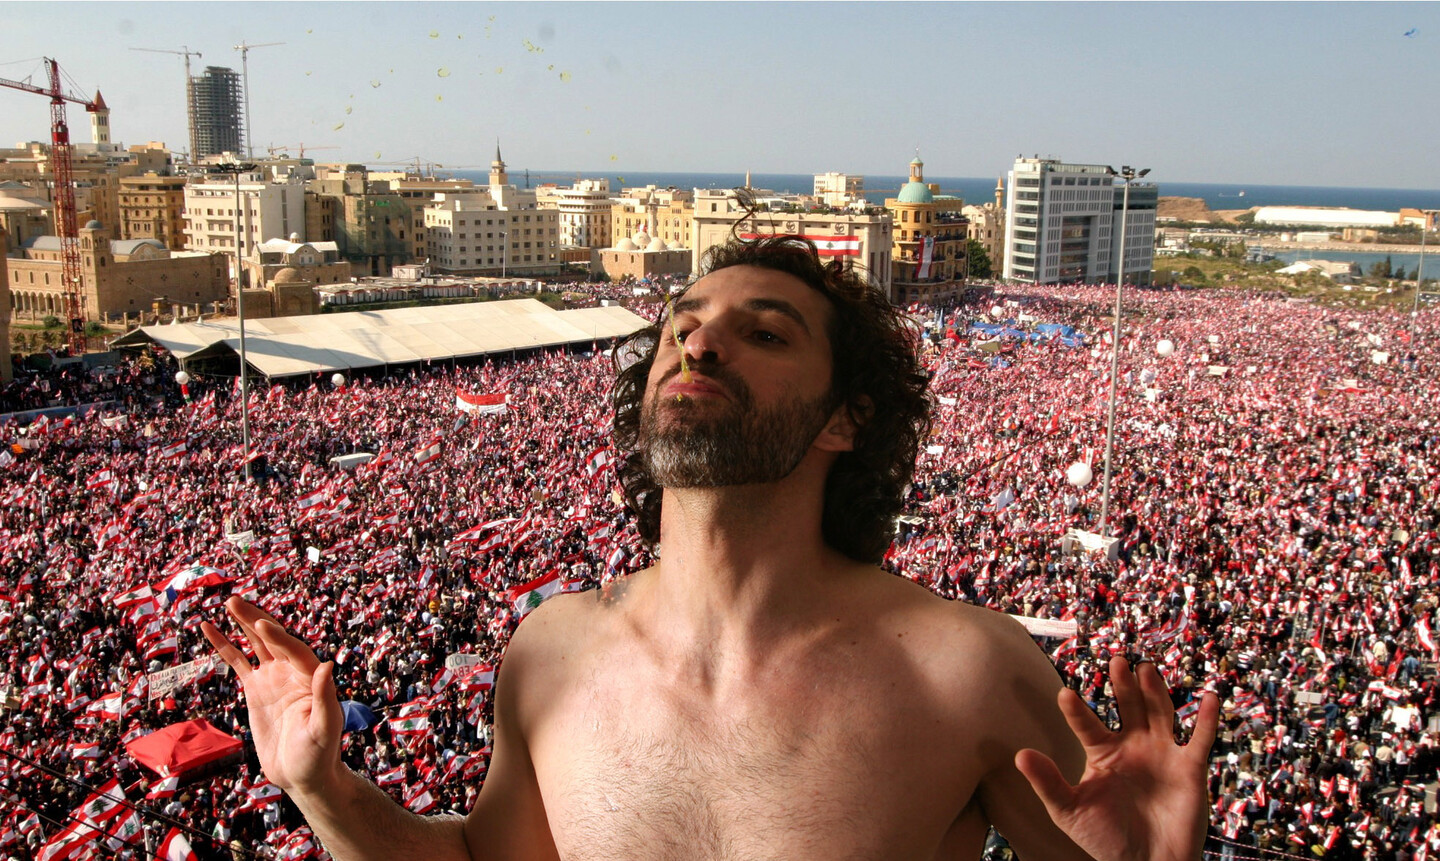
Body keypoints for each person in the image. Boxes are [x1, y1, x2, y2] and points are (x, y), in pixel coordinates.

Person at [204, 234, 1219, 861]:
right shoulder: (551, 652)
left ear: (847, 418)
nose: (697, 343)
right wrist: (321, 787)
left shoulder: (965, 670)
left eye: (764, 334)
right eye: (681, 327)